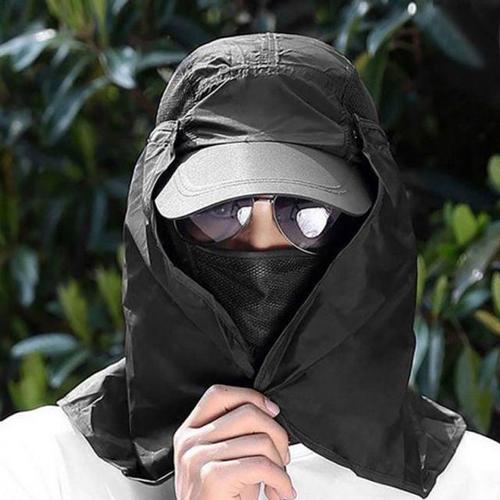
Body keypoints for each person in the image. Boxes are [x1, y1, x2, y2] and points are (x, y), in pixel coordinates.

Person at [1, 32, 499, 500]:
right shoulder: (38, 468)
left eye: (305, 214)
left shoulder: (475, 483)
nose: (261, 248)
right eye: (220, 212)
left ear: (369, 231)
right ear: (163, 231)